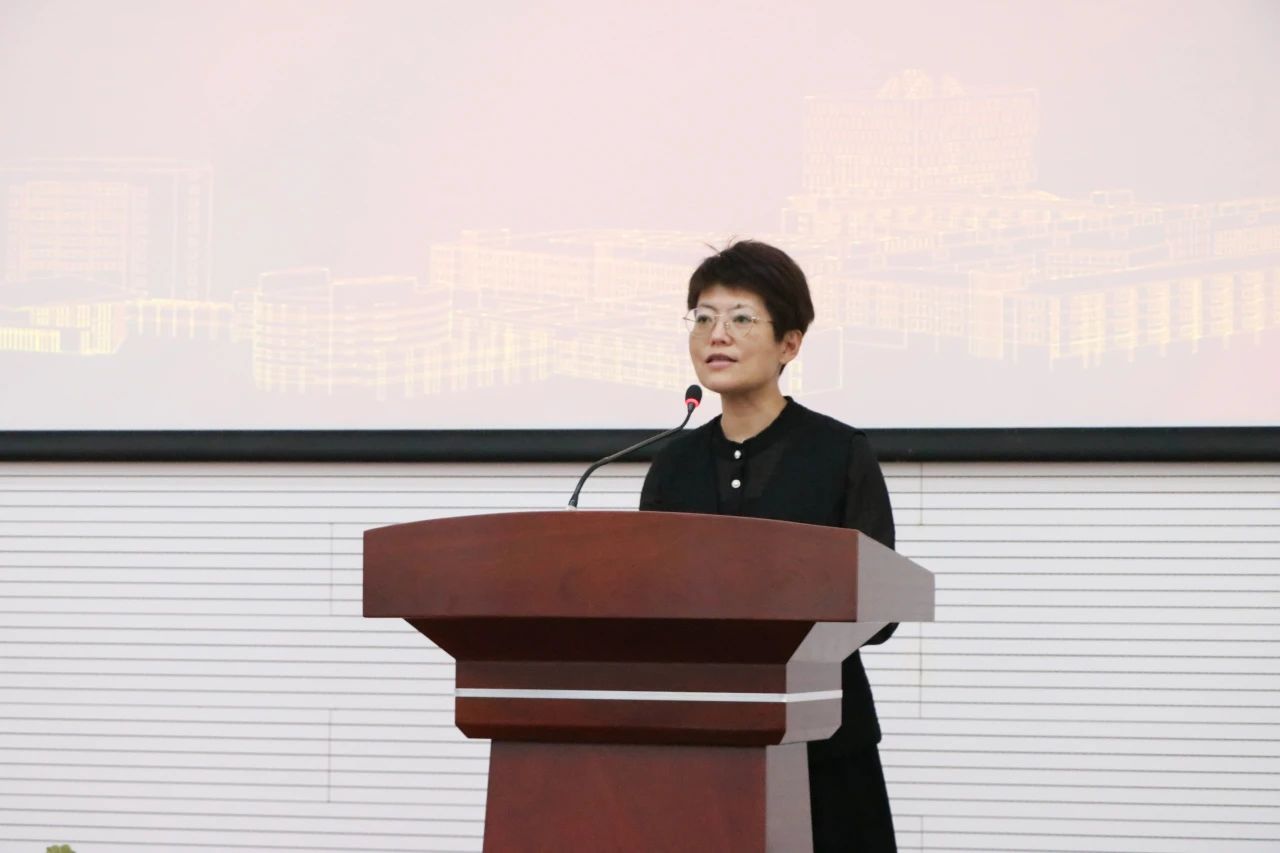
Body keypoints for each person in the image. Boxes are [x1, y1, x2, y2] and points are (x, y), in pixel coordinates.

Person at [639, 239, 898, 851]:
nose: (716, 335)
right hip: (697, 740)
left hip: (824, 742)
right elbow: (647, 600)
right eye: (703, 318)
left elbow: (880, 607)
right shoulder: (672, 464)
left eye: (741, 318)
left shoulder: (840, 453)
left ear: (790, 343)